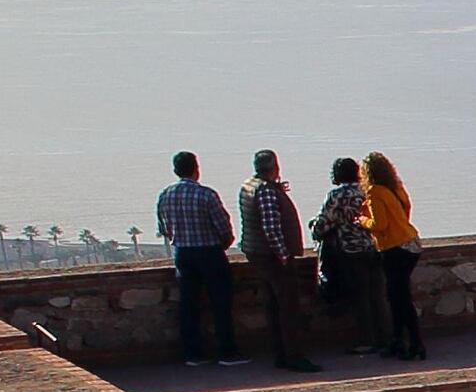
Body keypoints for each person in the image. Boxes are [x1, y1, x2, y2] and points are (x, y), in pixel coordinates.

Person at [236, 149, 314, 372]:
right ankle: (293, 356)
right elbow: (271, 228)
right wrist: (283, 255)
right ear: (275, 167)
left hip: (256, 252)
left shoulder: (249, 185)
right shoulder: (265, 191)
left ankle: (281, 354)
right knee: (288, 306)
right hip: (272, 256)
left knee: (274, 304)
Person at [155, 150, 233, 364]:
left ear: (175, 170)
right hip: (209, 252)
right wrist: (224, 243)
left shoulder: (165, 195)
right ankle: (227, 351)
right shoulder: (206, 195)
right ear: (196, 169)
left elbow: (164, 228)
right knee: (220, 302)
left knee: (188, 304)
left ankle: (193, 353)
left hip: (183, 253)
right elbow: (223, 226)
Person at [360, 150, 425, 358]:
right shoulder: (396, 187)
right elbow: (406, 209)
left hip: (394, 248)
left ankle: (415, 344)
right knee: (397, 296)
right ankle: (397, 340)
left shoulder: (375, 192)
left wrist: (361, 221)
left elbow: (380, 224)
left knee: (399, 298)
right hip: (411, 243)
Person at [310, 157, 372, 334]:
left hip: (350, 250)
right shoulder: (367, 191)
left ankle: (366, 340)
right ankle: (384, 337)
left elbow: (323, 224)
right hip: (373, 248)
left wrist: (313, 227)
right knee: (376, 296)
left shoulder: (337, 195)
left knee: (359, 298)